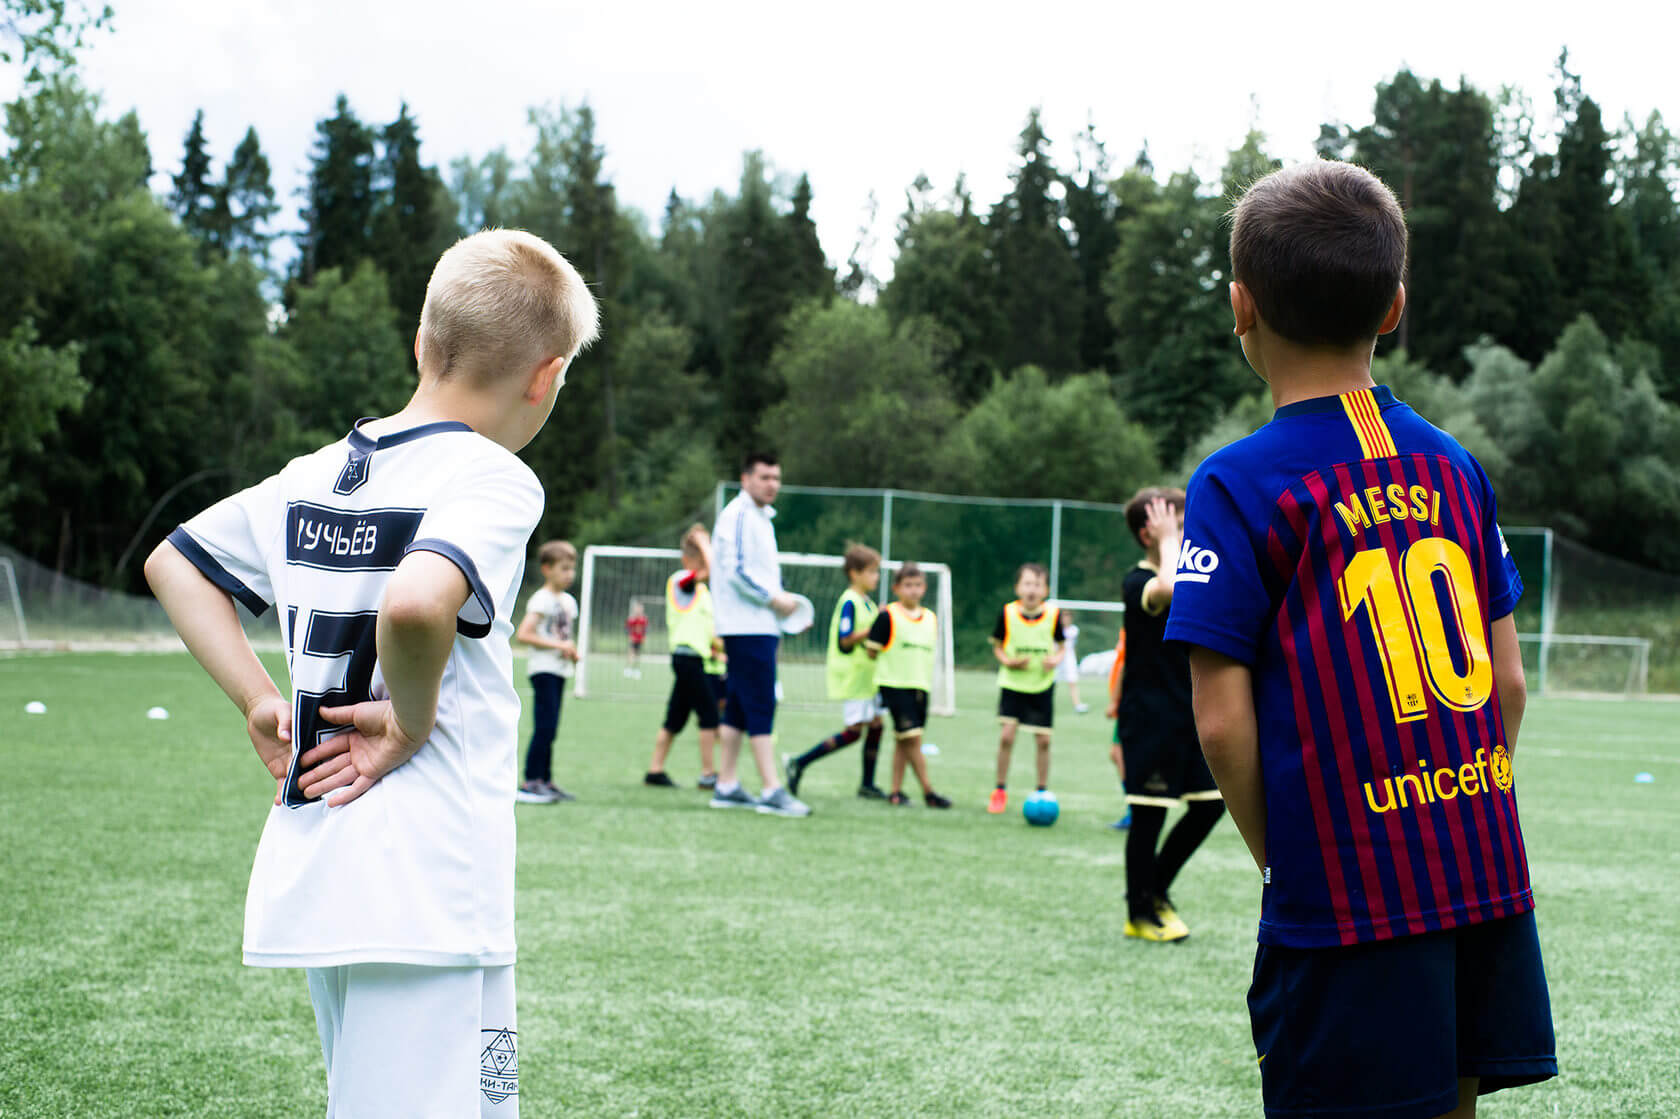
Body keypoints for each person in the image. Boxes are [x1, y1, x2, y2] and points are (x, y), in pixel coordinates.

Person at [144, 228, 599, 1117]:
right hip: (427, 879)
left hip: (326, 863)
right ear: (546, 377)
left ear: (422, 344)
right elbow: (417, 605)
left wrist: (258, 699)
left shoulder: (312, 476)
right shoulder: (494, 477)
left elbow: (174, 562)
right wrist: (409, 720)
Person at [1166, 161, 1554, 1119]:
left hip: (1344, 898)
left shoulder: (1236, 485)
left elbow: (1220, 724)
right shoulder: (1456, 466)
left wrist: (1280, 857)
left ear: (1240, 304)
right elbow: (1504, 684)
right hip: (1478, 868)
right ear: (1395, 307)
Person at [1117, 488, 1225, 942]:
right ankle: (1139, 914)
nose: (1184, 531)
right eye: (1175, 523)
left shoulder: (1188, 568)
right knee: (1149, 815)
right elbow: (1171, 587)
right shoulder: (1137, 580)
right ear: (1150, 533)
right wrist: (1168, 540)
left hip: (1188, 714)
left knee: (1211, 805)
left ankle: (1153, 891)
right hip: (1149, 718)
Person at [708, 451, 809, 818]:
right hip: (746, 626)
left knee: (737, 706)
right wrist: (773, 599)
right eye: (764, 477)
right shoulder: (736, 515)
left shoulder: (763, 518)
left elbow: (762, 574)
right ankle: (771, 789)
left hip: (759, 625)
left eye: (776, 478)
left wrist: (788, 610)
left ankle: (727, 785)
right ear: (745, 478)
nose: (772, 485)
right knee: (761, 704)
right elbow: (735, 570)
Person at [784, 543, 888, 800]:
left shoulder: (868, 603)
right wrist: (877, 624)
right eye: (872, 572)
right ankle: (799, 762)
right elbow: (846, 639)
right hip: (854, 675)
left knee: (876, 725)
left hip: (869, 675)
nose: (876, 577)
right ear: (855, 573)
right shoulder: (849, 602)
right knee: (854, 731)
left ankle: (867, 784)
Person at [865, 563, 952, 808]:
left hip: (919, 686)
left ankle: (895, 792)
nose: (913, 590)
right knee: (913, 739)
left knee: (905, 740)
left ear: (924, 588)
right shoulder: (887, 616)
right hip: (894, 684)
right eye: (908, 585)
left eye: (917, 585)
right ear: (897, 588)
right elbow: (872, 651)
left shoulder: (931, 618)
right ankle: (929, 792)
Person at [645, 524, 722, 789]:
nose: (703, 566)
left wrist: (720, 651)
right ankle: (708, 774)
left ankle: (655, 771)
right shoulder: (680, 581)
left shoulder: (702, 593)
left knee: (675, 717)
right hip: (686, 659)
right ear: (686, 560)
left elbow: (708, 632)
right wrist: (704, 542)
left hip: (696, 659)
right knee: (710, 716)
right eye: (698, 560)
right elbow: (712, 572)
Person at [987, 563, 1064, 814]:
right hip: (1013, 684)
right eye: (1028, 583)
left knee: (1043, 741)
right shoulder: (1007, 613)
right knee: (1007, 736)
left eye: (1038, 584)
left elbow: (1062, 646)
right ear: (1018, 587)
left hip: (1042, 685)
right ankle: (999, 790)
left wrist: (1056, 659)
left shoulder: (1053, 614)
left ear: (1046, 590)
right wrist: (1008, 661)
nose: (1032, 589)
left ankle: (1041, 791)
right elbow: (997, 646)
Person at [514, 540, 579, 804]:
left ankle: (546, 780)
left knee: (552, 728)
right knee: (544, 727)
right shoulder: (541, 600)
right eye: (563, 568)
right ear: (547, 569)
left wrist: (570, 651)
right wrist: (559, 645)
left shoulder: (568, 602)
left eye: (571, 569)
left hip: (559, 670)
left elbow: (562, 635)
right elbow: (524, 634)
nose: (569, 574)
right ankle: (530, 781)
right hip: (544, 671)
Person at [1105, 629, 1131, 831]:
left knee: (1119, 754)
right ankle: (1135, 809)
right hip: (1132, 701)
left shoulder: (1137, 622)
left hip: (1130, 702)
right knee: (1117, 754)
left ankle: (1135, 810)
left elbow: (1125, 665)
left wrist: (1115, 701)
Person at [1057, 610, 1089, 713]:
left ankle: (1077, 704)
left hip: (1068, 659)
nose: (1066, 619)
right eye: (1064, 617)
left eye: (1068, 617)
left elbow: (1073, 646)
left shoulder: (1074, 630)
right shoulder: (1056, 629)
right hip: (1057, 658)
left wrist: (1074, 660)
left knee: (1072, 682)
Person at [624, 600, 648, 678]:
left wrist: (644, 637)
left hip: (640, 639)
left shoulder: (644, 619)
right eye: (638, 608)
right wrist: (630, 636)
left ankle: (636, 670)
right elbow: (627, 628)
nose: (639, 610)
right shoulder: (632, 618)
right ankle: (628, 669)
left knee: (637, 655)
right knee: (631, 653)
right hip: (633, 639)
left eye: (641, 608)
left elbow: (645, 629)